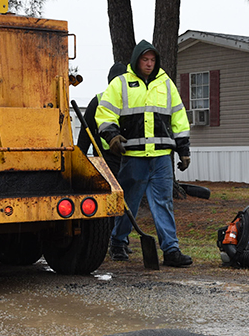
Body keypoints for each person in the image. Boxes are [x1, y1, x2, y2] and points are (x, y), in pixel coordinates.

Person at [95, 41, 193, 267]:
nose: (149, 64)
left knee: (164, 203)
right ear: (136, 60)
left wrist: (184, 150)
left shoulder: (166, 85)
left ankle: (171, 250)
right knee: (128, 202)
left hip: (160, 158)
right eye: (145, 60)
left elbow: (179, 118)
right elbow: (105, 113)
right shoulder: (121, 84)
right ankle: (118, 242)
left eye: (152, 60)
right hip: (134, 158)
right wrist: (112, 137)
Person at [77, 62, 128, 177]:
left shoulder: (99, 101)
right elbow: (85, 134)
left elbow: (85, 135)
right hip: (107, 161)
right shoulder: (99, 101)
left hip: (122, 160)